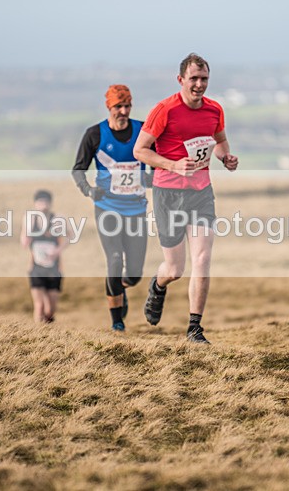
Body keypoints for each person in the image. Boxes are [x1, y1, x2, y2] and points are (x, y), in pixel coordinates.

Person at [133, 53, 238, 344]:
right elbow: (140, 150)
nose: (199, 84)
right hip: (168, 194)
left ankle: (194, 328)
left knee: (202, 259)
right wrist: (172, 164)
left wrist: (225, 158)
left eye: (204, 79)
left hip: (201, 193)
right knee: (176, 269)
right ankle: (158, 284)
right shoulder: (164, 110)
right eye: (194, 78)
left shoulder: (214, 110)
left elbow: (219, 142)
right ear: (181, 79)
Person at [72, 84, 151, 332]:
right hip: (107, 208)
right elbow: (78, 169)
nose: (124, 111)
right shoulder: (95, 134)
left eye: (127, 105)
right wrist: (88, 189)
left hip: (136, 209)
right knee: (115, 260)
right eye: (118, 106)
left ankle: (121, 288)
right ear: (109, 107)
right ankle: (117, 321)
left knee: (135, 273)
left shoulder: (143, 130)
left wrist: (152, 179)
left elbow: (156, 163)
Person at [20, 190, 68, 323]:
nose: (43, 205)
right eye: (40, 202)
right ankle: (39, 336)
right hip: (36, 267)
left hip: (53, 268)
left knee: (51, 309)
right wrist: (25, 239)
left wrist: (58, 250)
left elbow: (69, 236)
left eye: (45, 202)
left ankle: (48, 326)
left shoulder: (58, 219)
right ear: (35, 204)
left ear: (50, 203)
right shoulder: (30, 219)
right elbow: (24, 237)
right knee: (39, 305)